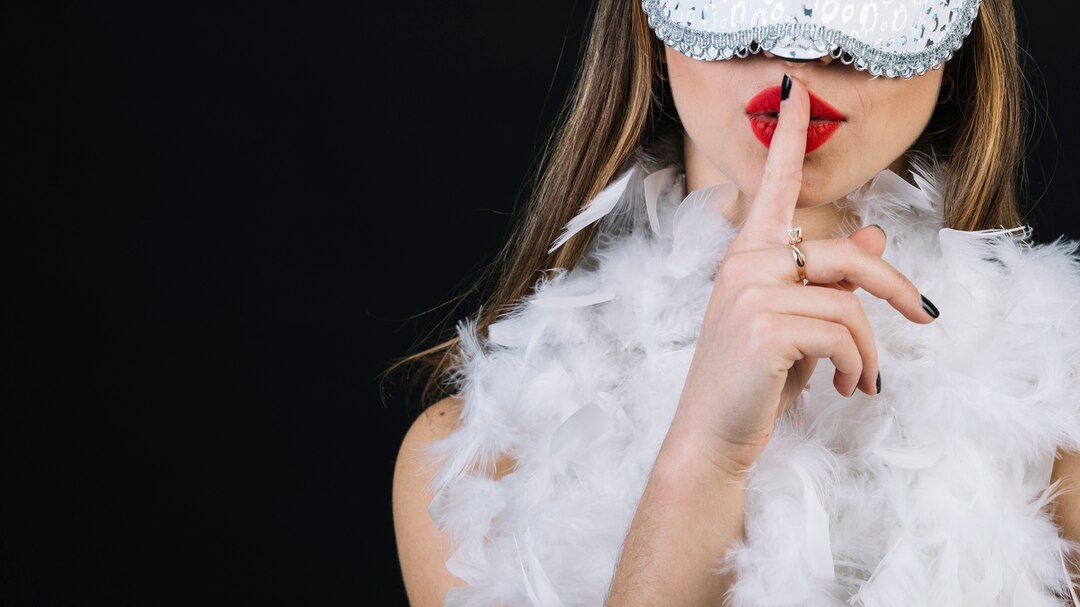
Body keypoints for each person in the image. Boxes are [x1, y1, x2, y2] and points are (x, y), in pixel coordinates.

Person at [389, 0, 1080, 604]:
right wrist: (701, 462)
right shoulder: (475, 471)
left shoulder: (1060, 428)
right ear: (647, 28)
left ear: (958, 50)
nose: (799, 47)